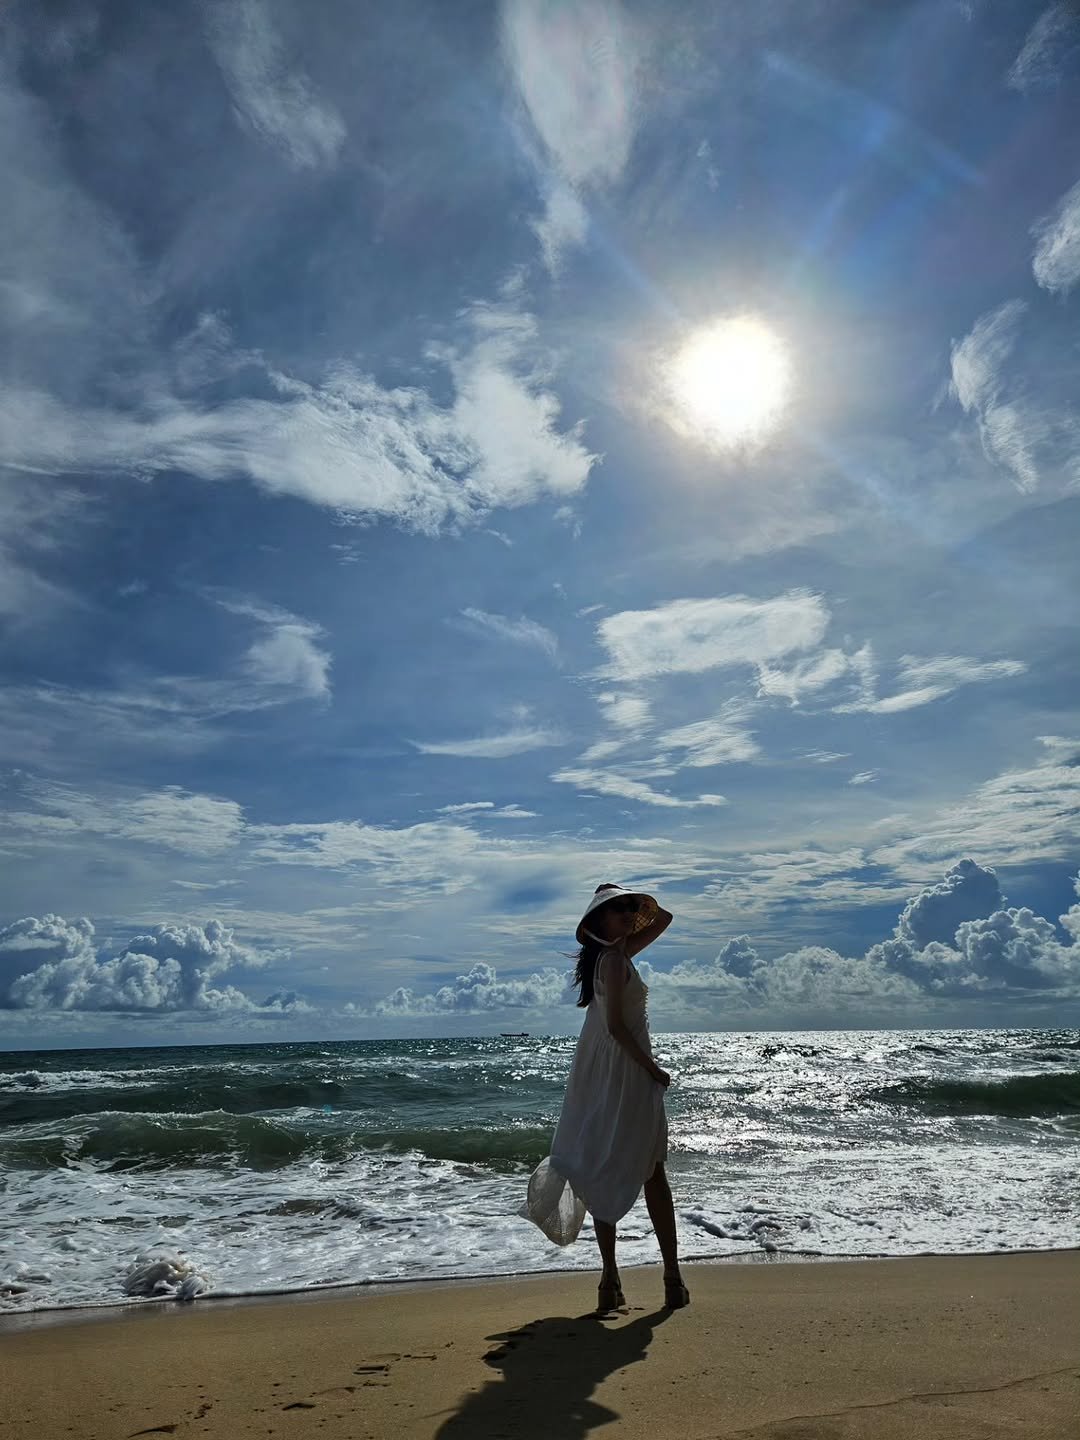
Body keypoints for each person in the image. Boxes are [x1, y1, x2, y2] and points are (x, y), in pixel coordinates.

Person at [521, 882, 690, 1311]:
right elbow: (616, 1026)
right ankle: (666, 1276)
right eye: (619, 912)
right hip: (625, 1071)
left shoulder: (615, 956)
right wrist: (653, 1069)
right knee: (648, 1170)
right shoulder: (614, 961)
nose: (630, 916)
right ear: (598, 922)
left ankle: (613, 1281)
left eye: (631, 911)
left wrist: (632, 906)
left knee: (607, 1162)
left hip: (605, 1071)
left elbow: (664, 918)